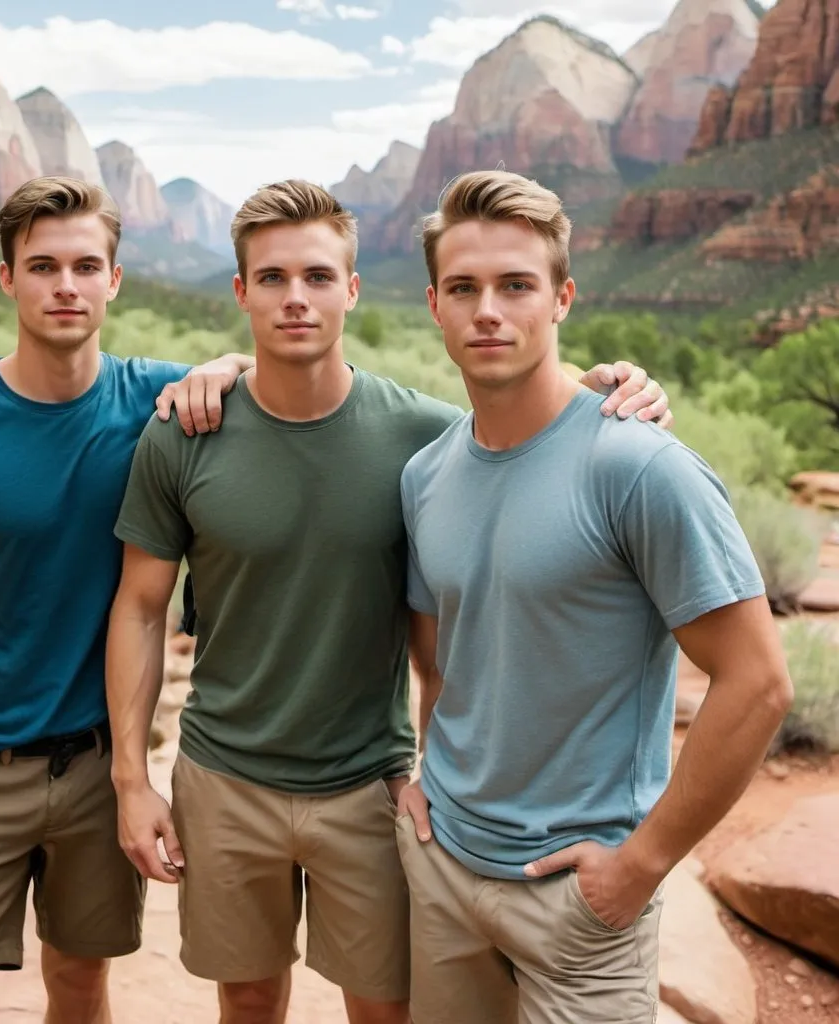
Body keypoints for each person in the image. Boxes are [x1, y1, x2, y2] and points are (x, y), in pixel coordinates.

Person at [103, 178, 673, 1024]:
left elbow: (524, 430)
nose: (296, 298)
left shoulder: (426, 441)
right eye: (272, 278)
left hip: (372, 785)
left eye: (319, 277)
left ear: (354, 289)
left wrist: (616, 392)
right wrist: (129, 779)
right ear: (240, 292)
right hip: (223, 778)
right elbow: (141, 608)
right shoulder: (185, 431)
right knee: (248, 1000)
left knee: (386, 1007)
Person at [395, 169, 794, 1024]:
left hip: (579, 897)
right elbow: (442, 661)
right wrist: (426, 777)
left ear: (563, 297)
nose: (488, 310)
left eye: (516, 285)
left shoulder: (636, 464)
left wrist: (642, 866)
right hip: (444, 864)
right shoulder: (425, 475)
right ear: (434, 304)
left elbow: (759, 683)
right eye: (463, 288)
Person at [0, 175, 253, 1024]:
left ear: (114, 279)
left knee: (79, 987)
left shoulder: (160, 403)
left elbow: (304, 382)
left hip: (102, 774)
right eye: (41, 266)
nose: (64, 285)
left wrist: (229, 361)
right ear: (8, 278)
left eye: (84, 265)